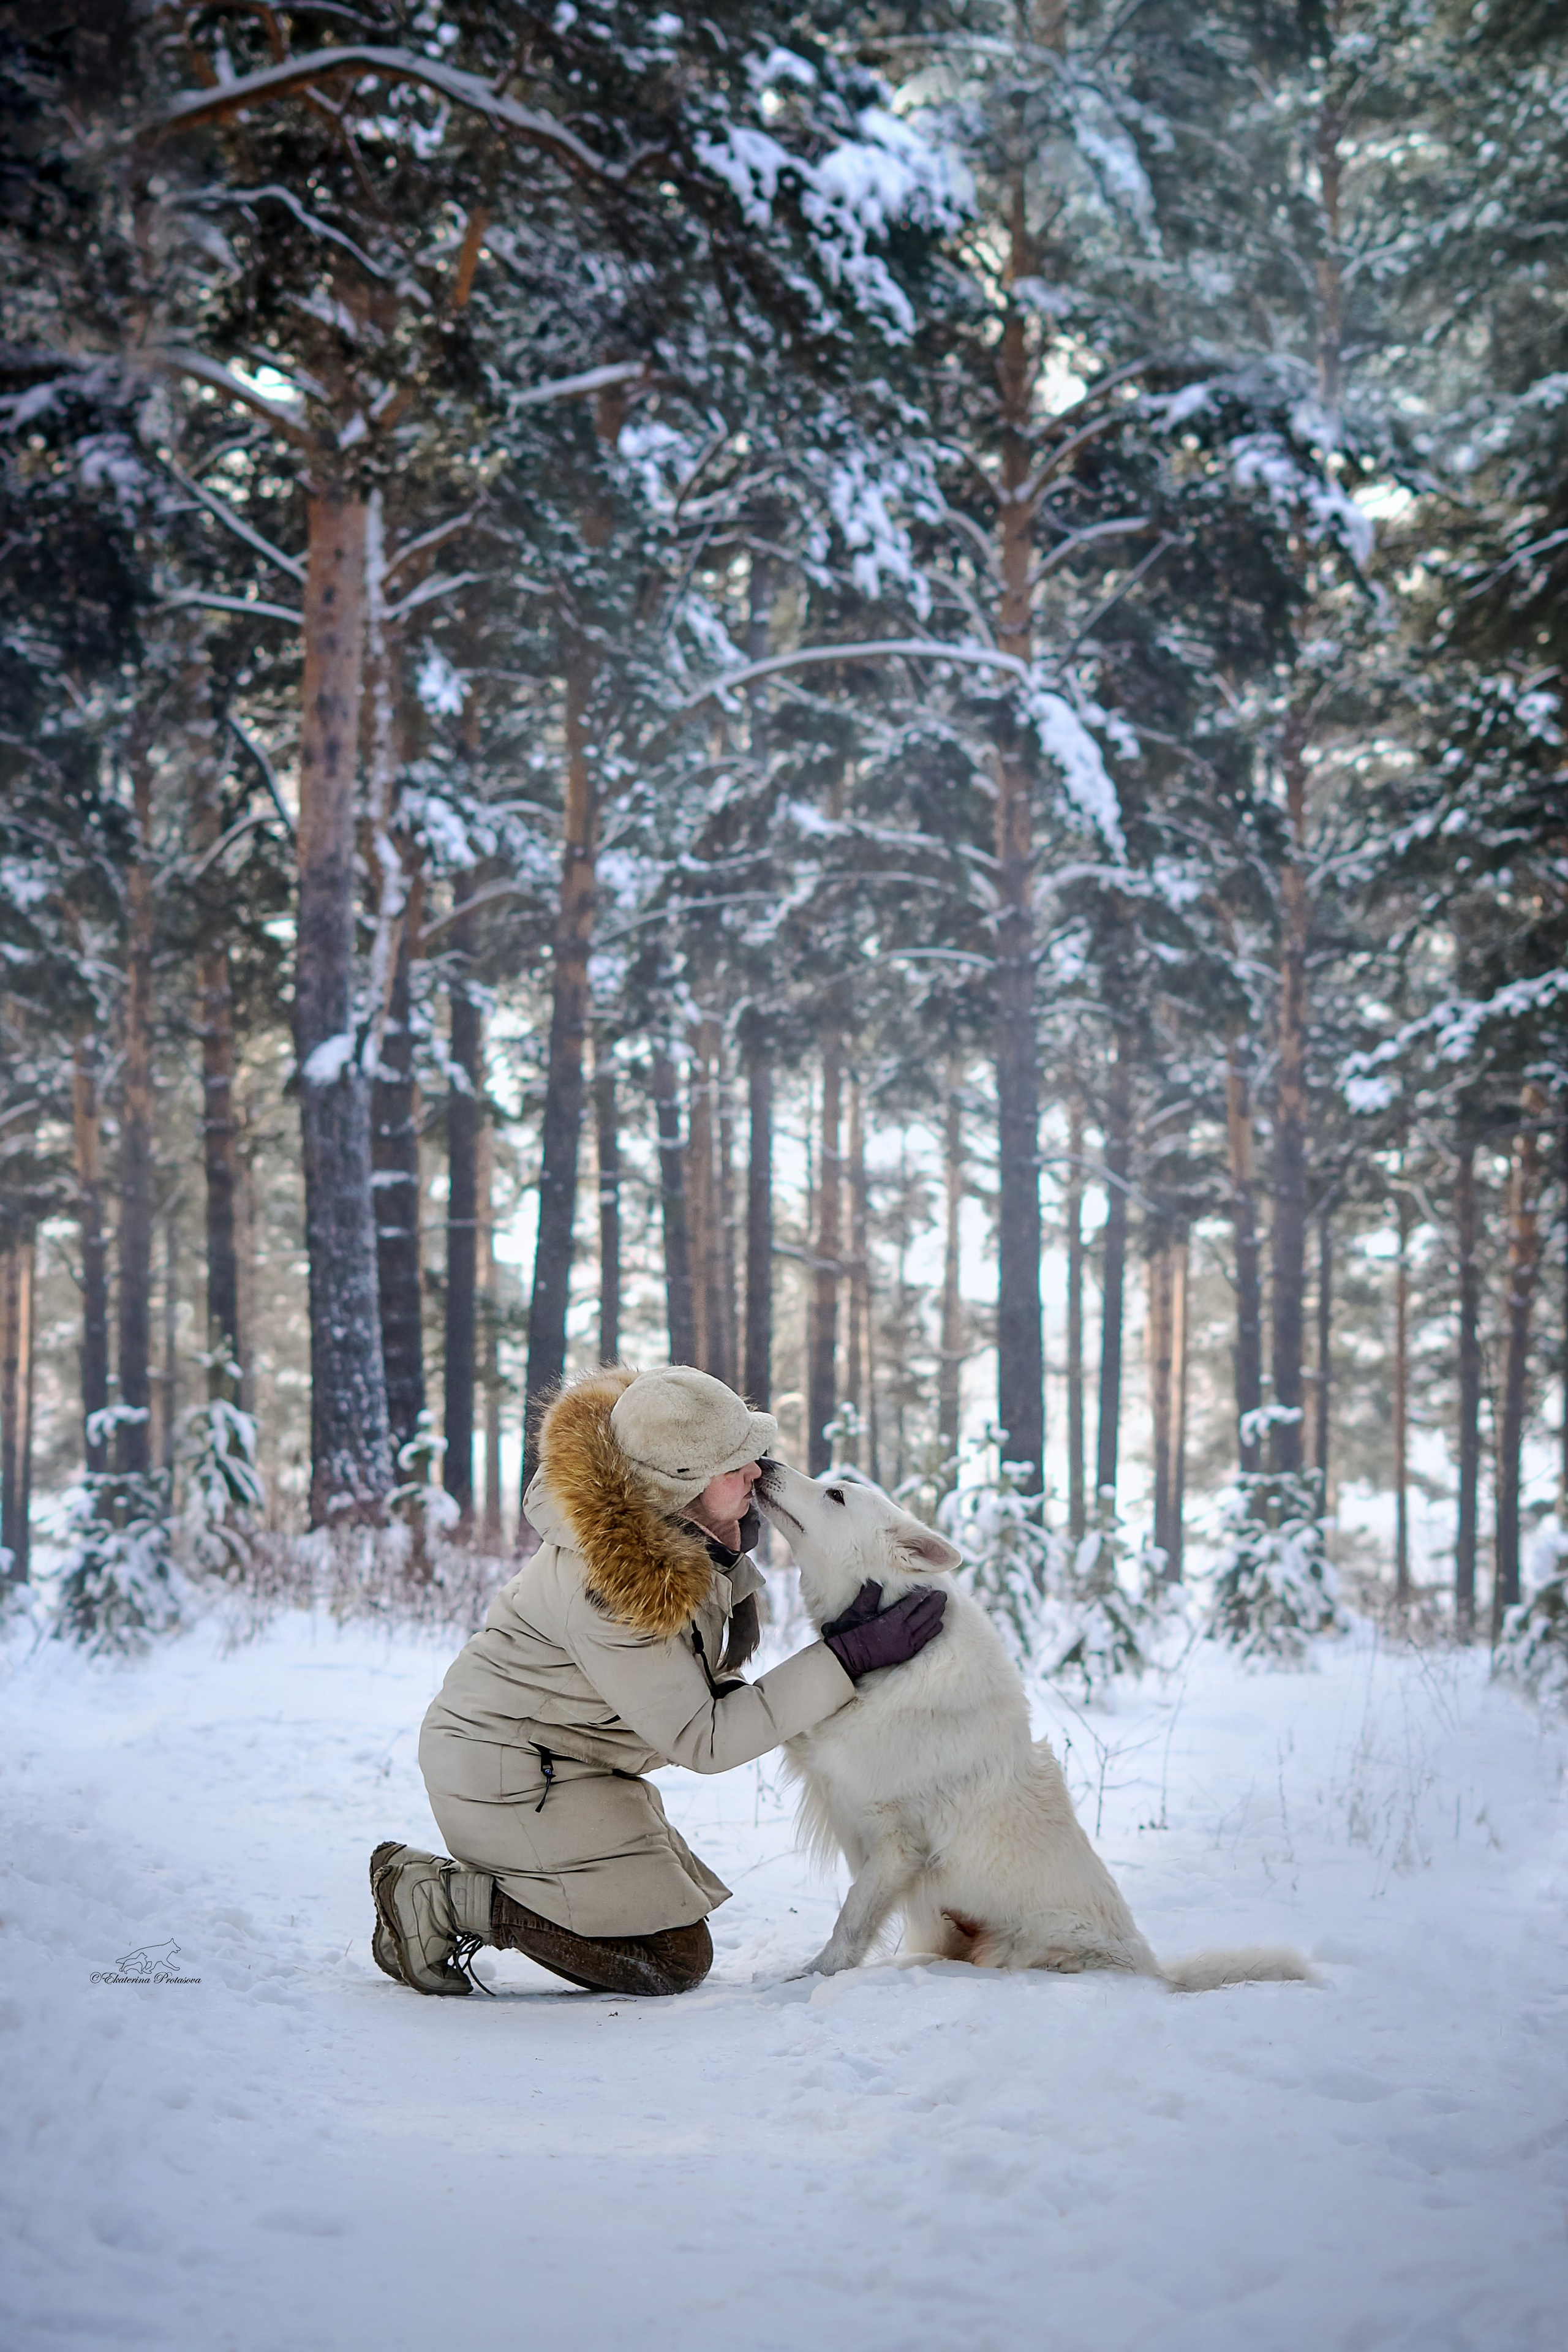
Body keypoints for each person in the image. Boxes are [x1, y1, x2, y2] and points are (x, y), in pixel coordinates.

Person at [371, 1363, 946, 1998]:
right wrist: (848, 1657)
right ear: (680, 1486)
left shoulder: (681, 1533)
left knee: (667, 1924)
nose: (757, 1473)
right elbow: (703, 1739)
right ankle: (443, 1900)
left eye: (752, 1453)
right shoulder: (613, 1587)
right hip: (507, 1774)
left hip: (562, 1763)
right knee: (672, 1958)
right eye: (735, 1467)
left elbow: (698, 1682)